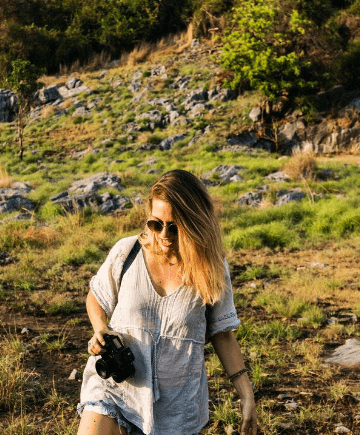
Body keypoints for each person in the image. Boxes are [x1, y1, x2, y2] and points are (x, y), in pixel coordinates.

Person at [77, 170, 258, 435]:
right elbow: (96, 296)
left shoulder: (211, 271)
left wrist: (247, 395)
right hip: (116, 389)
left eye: (174, 226)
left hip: (175, 408)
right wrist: (100, 328)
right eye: (155, 224)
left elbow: (223, 335)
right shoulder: (127, 252)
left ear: (194, 222)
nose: (163, 234)